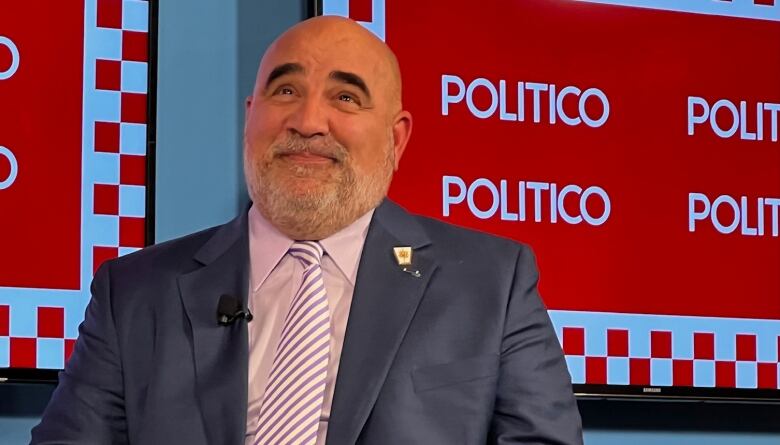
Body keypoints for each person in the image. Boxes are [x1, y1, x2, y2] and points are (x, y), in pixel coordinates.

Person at [31, 16, 583, 445]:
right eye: (285, 91)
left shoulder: (492, 283)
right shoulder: (133, 292)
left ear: (397, 139)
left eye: (345, 97)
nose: (308, 122)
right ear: (250, 117)